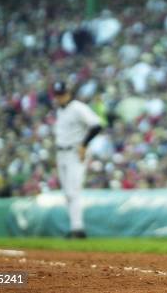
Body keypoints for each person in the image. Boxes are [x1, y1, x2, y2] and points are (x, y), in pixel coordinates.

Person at [52, 81, 102, 238]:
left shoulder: (77, 107)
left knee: (73, 191)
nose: (59, 97)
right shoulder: (61, 110)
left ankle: (78, 229)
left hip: (75, 152)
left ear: (68, 93)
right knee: (67, 192)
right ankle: (75, 227)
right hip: (61, 153)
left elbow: (96, 125)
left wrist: (84, 145)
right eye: (57, 95)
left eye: (62, 94)